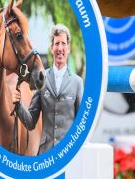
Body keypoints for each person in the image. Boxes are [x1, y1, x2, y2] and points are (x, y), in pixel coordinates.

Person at [11, 24, 84, 156]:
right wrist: (18, 104)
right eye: (56, 44)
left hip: (69, 153)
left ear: (68, 48)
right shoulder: (42, 78)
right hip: (45, 155)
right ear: (51, 48)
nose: (60, 48)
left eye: (63, 43)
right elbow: (31, 122)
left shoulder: (77, 83)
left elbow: (81, 124)